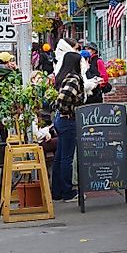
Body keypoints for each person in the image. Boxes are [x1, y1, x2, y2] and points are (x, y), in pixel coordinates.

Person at [51, 51, 85, 202]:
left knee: (59, 157)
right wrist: (67, 111)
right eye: (81, 61)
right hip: (68, 120)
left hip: (60, 119)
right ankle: (67, 192)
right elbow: (63, 99)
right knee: (67, 158)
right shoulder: (73, 78)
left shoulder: (64, 76)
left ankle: (57, 191)